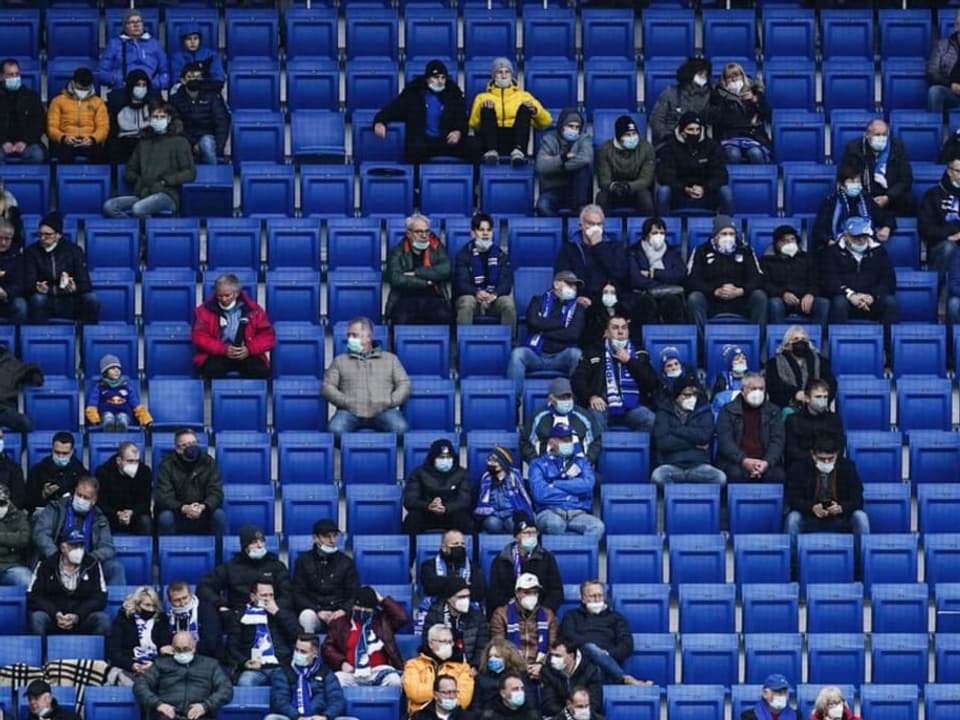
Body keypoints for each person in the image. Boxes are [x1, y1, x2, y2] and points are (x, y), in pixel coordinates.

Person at [784, 434, 870, 578]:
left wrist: (842, 507)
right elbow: (793, 499)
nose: (826, 462)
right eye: (822, 459)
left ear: (837, 455)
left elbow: (857, 499)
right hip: (810, 517)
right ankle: (792, 570)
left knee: (861, 517)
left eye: (830, 459)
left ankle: (859, 569)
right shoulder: (799, 468)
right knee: (792, 519)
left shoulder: (848, 467)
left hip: (840, 518)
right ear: (813, 455)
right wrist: (811, 508)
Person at [103, 100, 197, 218]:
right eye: (155, 116)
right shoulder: (143, 143)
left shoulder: (180, 142)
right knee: (110, 206)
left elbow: (190, 173)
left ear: (168, 119)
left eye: (162, 116)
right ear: (150, 119)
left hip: (167, 195)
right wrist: (139, 180)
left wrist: (165, 181)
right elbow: (129, 171)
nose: (158, 119)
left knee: (138, 209)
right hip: (143, 193)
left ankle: (145, 233)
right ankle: (136, 230)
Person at [322, 315, 411, 438]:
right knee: (335, 430)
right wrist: (344, 401)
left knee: (401, 429)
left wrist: (391, 401)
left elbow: (404, 383)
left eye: (354, 335)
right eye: (348, 335)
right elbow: (327, 386)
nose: (349, 339)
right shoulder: (340, 361)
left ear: (368, 337)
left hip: (383, 411)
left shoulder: (390, 359)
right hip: (350, 412)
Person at [198, 525, 294, 635]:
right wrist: (220, 604)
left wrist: (274, 607)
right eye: (254, 542)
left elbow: (287, 594)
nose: (259, 546)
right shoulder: (232, 567)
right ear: (245, 546)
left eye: (262, 541)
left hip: (270, 615)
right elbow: (204, 586)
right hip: (239, 618)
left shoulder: (276, 566)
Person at [33, 476, 127, 585]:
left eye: (86, 497)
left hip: (88, 562)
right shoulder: (56, 508)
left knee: (116, 568)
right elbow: (40, 534)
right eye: (79, 495)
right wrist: (56, 556)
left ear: (93, 500)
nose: (81, 499)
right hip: (56, 559)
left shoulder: (100, 518)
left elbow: (108, 548)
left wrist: (88, 558)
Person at [374, 59, 471, 164]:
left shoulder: (453, 94)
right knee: (414, 150)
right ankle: (416, 180)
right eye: (436, 77)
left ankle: (476, 180)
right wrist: (380, 121)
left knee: (473, 146)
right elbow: (393, 109)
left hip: (447, 141)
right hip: (424, 142)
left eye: (443, 78)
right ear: (427, 78)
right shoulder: (413, 93)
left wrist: (458, 132)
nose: (440, 81)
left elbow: (462, 116)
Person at [573, 314, 659, 433]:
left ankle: (634, 451)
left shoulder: (639, 353)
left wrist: (630, 361)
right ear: (607, 333)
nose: (620, 332)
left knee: (652, 420)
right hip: (603, 404)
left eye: (624, 328)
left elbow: (652, 382)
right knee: (594, 417)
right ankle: (602, 451)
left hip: (632, 406)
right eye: (615, 328)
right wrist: (591, 396)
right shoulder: (594, 351)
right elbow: (578, 379)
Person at [507, 272, 586, 398]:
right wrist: (561, 324)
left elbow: (573, 334)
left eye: (575, 286)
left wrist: (543, 330)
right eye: (569, 284)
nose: (573, 288)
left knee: (576, 354)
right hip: (536, 354)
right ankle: (513, 404)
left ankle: (575, 403)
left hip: (562, 355)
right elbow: (533, 322)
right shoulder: (537, 301)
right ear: (556, 284)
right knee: (517, 354)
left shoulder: (578, 307)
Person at [686, 215, 766, 334]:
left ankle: (757, 345)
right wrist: (714, 291)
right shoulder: (701, 251)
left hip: (741, 300)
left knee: (760, 296)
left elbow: (758, 278)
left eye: (731, 233)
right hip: (711, 300)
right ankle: (701, 348)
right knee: (694, 298)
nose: (728, 237)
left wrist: (741, 290)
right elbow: (692, 280)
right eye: (724, 233)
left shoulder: (746, 250)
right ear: (715, 234)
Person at [559, 581, 645, 686]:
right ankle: (623, 678)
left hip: (606, 666)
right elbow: (568, 636)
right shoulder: (571, 616)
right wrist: (593, 650)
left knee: (597, 669)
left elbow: (627, 644)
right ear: (583, 598)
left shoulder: (616, 618)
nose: (597, 599)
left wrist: (608, 654)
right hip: (581, 661)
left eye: (600, 595)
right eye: (593, 596)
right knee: (590, 647)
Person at [27, 527, 110, 636]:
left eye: (81, 546)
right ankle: (42, 652)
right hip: (54, 618)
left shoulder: (92, 565)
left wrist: (77, 615)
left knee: (103, 620)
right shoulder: (46, 565)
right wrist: (55, 613)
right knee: (37, 618)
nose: (79, 550)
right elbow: (34, 595)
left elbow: (100, 597)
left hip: (82, 618)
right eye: (74, 546)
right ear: (63, 547)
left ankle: (95, 652)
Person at [133, 630, 234, 720]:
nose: (182, 652)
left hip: (200, 715)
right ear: (172, 648)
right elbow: (140, 685)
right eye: (177, 649)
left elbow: (226, 689)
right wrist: (158, 704)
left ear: (194, 647)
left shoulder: (210, 665)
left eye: (186, 649)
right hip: (166, 715)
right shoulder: (160, 664)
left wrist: (205, 706)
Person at [469, 57, 551, 166]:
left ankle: (519, 151)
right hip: (491, 139)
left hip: (515, 138)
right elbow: (473, 124)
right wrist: (481, 109)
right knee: (487, 108)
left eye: (507, 72)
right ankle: (491, 151)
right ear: (494, 75)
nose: (503, 76)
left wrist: (535, 111)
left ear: (511, 74)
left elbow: (546, 122)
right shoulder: (482, 97)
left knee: (525, 108)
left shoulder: (524, 96)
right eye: (500, 72)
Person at [191, 273, 275, 379]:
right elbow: (199, 336)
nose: (223, 299)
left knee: (261, 371)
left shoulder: (255, 310)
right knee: (210, 370)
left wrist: (249, 349)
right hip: (218, 354)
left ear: (236, 293)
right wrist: (223, 349)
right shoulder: (203, 311)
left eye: (227, 295)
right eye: (219, 296)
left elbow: (267, 336)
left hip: (246, 353)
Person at [321, 586, 406, 689]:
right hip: (352, 673)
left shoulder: (382, 621)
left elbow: (402, 617)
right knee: (337, 680)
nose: (362, 610)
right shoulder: (340, 623)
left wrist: (382, 600)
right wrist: (342, 663)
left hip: (379, 671)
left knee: (394, 680)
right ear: (353, 606)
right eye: (358, 607)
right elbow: (327, 647)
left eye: (366, 609)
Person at [820, 216, 899, 325]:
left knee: (890, 302)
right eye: (856, 237)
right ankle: (838, 341)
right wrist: (851, 295)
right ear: (846, 235)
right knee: (839, 303)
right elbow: (829, 280)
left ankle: (888, 342)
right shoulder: (832, 252)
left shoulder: (879, 252)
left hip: (872, 299)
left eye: (864, 236)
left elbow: (888, 280)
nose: (861, 241)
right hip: (846, 298)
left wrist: (873, 295)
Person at [651, 373, 726, 487]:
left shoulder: (704, 410)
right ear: (677, 395)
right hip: (672, 465)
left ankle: (695, 497)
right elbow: (663, 442)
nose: (692, 398)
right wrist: (695, 444)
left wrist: (677, 430)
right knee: (657, 476)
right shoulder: (664, 411)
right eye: (687, 395)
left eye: (695, 394)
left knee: (720, 478)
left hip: (699, 465)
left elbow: (704, 436)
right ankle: (677, 496)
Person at [23, 212, 99, 324]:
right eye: (40, 234)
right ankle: (39, 337)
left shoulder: (74, 251)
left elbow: (86, 284)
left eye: (47, 235)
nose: (42, 238)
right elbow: (28, 282)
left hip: (69, 300)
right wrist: (37, 287)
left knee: (92, 299)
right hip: (46, 299)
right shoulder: (31, 252)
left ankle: (87, 337)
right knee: (37, 299)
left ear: (58, 235)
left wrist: (75, 288)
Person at [528, 424, 603, 536]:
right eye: (563, 440)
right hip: (550, 512)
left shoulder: (582, 462)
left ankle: (579, 554)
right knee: (555, 524)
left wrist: (556, 484)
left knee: (597, 526)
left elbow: (587, 486)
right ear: (552, 442)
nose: (568, 443)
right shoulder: (537, 464)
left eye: (569, 439)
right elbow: (540, 494)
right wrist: (573, 493)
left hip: (577, 513)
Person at [656, 110, 733, 216]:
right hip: (679, 193)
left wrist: (705, 188)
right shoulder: (670, 147)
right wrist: (685, 188)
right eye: (690, 129)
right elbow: (665, 176)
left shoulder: (712, 146)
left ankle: (727, 226)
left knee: (725, 191)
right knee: (663, 191)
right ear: (682, 130)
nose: (695, 133)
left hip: (707, 193)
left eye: (698, 129)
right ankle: (663, 225)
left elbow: (721, 175)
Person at [226, 578, 301, 687]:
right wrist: (245, 662)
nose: (268, 599)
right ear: (253, 597)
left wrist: (277, 613)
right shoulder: (241, 616)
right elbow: (232, 646)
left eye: (271, 595)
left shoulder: (282, 613)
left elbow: (298, 635)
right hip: (254, 669)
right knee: (245, 683)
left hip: (278, 666)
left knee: (284, 683)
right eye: (264, 595)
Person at [811, 157, 895, 253]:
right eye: (851, 181)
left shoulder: (867, 200)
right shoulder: (830, 203)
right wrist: (830, 242)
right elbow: (819, 231)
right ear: (841, 185)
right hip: (839, 251)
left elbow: (886, 217)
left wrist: (887, 228)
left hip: (866, 248)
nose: (855, 184)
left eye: (857, 181)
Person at [265, 633, 356, 720]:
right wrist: (296, 716)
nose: (298, 654)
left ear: (315, 653)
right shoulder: (283, 671)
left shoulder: (326, 673)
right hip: (292, 718)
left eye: (303, 652)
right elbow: (279, 700)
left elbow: (337, 700)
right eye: (296, 650)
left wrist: (325, 716)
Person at [292, 518, 360, 634]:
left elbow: (354, 592)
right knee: (306, 616)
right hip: (316, 612)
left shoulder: (346, 562)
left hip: (339, 613)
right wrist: (318, 610)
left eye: (334, 536)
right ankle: (308, 649)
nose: (332, 540)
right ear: (315, 538)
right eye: (327, 537)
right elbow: (298, 594)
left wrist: (343, 610)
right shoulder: (303, 561)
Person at [716, 373, 786, 484]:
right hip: (736, 461)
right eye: (753, 389)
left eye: (761, 389)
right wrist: (744, 460)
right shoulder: (728, 410)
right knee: (735, 474)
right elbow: (725, 441)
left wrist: (766, 462)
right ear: (743, 391)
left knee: (777, 475)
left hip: (765, 461)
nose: (758, 392)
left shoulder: (774, 411)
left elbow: (777, 440)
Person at [156, 428, 226, 537]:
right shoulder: (167, 465)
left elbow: (216, 492)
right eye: (185, 445)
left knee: (219, 515)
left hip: (203, 513)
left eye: (193, 443)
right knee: (165, 517)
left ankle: (218, 553)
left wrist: (203, 507)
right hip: (178, 514)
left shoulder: (208, 462)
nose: (191, 447)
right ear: (178, 449)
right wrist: (184, 508)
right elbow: (164, 497)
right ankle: (168, 552)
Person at [487, 515, 564, 615]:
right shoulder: (502, 560)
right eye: (527, 533)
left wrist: (541, 611)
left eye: (534, 533)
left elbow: (556, 592)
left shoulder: (547, 558)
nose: (531, 536)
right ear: (516, 537)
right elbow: (495, 594)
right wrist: (512, 609)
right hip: (509, 614)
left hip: (540, 612)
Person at [554, 205, 629, 304]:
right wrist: (576, 298)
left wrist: (599, 246)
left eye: (599, 224)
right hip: (579, 301)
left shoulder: (615, 247)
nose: (595, 228)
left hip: (606, 300)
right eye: (591, 223)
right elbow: (561, 278)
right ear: (581, 225)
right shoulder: (569, 248)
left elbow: (620, 274)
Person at [386, 213, 453, 325]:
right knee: (400, 319)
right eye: (419, 232)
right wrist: (426, 282)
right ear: (409, 233)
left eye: (427, 231)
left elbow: (446, 269)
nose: (424, 235)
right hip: (405, 298)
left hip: (433, 297)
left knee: (444, 316)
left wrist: (417, 272)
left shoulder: (436, 247)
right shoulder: (397, 251)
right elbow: (395, 278)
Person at [452, 212, 516, 329]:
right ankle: (463, 342)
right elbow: (461, 283)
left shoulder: (501, 255)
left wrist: (495, 294)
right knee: (466, 302)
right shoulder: (463, 255)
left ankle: (509, 343)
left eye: (489, 230)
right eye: (481, 230)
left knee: (508, 303)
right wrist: (477, 292)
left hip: (494, 299)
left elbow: (506, 282)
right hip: (473, 297)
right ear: (473, 233)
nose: (486, 233)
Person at [489, 573, 558, 681]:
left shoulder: (548, 615)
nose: (531, 596)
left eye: (535, 592)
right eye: (526, 592)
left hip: (541, 669)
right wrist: (521, 666)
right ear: (517, 593)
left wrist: (541, 666)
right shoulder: (501, 614)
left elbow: (553, 646)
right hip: (511, 670)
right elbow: (499, 646)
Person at [840, 119, 915, 217]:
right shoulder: (854, 149)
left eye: (884, 135)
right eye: (877, 134)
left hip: (891, 196)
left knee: (909, 199)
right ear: (867, 135)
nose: (881, 138)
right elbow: (848, 176)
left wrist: (888, 197)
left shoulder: (897, 147)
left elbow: (906, 178)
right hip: (865, 196)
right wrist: (868, 199)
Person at [521, 377, 601, 466]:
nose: (566, 400)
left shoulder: (584, 416)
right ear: (551, 398)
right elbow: (526, 443)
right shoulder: (538, 417)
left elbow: (595, 441)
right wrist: (539, 464)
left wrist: (585, 463)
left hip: (579, 469)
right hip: (545, 469)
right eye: (561, 397)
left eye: (568, 396)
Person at [761, 224, 829, 327]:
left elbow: (816, 280)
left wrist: (811, 294)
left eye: (792, 240)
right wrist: (782, 294)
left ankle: (818, 340)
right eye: (785, 240)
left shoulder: (807, 259)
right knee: (775, 304)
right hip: (781, 299)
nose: (790, 243)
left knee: (823, 304)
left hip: (804, 300)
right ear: (777, 243)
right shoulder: (767, 261)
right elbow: (765, 284)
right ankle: (780, 339)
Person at [402, 438, 474, 536]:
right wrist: (428, 506)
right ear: (433, 458)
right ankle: (412, 550)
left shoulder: (461, 473)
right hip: (426, 513)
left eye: (448, 457)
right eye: (441, 457)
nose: (445, 460)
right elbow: (410, 500)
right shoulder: (418, 473)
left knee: (465, 520)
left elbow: (465, 501)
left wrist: (446, 508)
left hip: (451, 514)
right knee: (412, 519)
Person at [707, 62, 772, 165]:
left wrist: (755, 101)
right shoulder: (718, 97)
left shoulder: (755, 94)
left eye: (737, 76)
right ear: (724, 80)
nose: (734, 80)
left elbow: (767, 115)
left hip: (752, 137)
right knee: (733, 154)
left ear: (742, 76)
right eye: (730, 77)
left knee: (756, 154)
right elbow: (718, 119)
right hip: (728, 137)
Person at [418, 529, 487, 625]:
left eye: (462, 544)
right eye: (455, 544)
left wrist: (444, 585)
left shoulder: (473, 566)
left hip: (467, 610)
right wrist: (462, 583)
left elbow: (479, 591)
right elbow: (431, 586)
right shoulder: (429, 565)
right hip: (435, 610)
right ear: (444, 547)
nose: (460, 547)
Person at [107, 586, 171, 687]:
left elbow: (167, 650)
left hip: (155, 667)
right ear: (137, 605)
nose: (151, 609)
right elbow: (114, 651)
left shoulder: (161, 621)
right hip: (128, 665)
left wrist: (154, 664)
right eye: (147, 605)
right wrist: (132, 665)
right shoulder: (123, 620)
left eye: (154, 606)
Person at [404, 624, 475, 715]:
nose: (448, 645)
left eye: (450, 642)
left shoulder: (463, 668)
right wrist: (447, 694)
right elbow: (415, 694)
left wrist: (435, 694)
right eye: (443, 641)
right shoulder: (413, 665)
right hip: (421, 715)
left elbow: (464, 699)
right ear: (431, 643)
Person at [535, 107, 594, 216]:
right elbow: (541, 166)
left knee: (584, 168)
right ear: (562, 126)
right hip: (553, 190)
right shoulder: (549, 140)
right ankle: (559, 232)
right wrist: (563, 158)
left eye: (577, 127)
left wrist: (559, 165)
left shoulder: (584, 139)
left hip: (577, 190)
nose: (574, 130)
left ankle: (577, 225)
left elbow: (585, 159)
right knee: (542, 206)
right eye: (570, 126)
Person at [627, 217, 687, 325]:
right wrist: (665, 282)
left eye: (662, 233)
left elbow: (681, 274)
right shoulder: (633, 252)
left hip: (669, 294)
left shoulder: (672, 252)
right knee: (647, 303)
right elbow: (636, 279)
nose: (659, 236)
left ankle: (672, 339)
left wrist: (653, 274)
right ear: (646, 235)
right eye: (655, 232)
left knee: (673, 302)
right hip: (643, 294)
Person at [764, 326, 837, 413]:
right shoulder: (774, 363)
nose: (800, 341)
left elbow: (830, 383)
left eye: (804, 339)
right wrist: (795, 394)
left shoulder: (821, 361)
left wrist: (813, 396)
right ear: (787, 344)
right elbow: (773, 387)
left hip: (816, 405)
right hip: (787, 406)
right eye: (796, 339)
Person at [169, 62, 230, 165]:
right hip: (186, 138)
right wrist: (194, 144)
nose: (194, 80)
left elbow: (222, 122)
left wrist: (219, 148)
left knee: (206, 143)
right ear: (183, 80)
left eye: (198, 77)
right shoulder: (175, 99)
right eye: (190, 77)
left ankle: (212, 176)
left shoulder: (212, 96)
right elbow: (176, 125)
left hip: (209, 138)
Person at [423, 577, 490, 668]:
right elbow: (427, 644)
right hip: (440, 666)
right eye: (461, 597)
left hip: (469, 667)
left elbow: (482, 647)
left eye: (467, 596)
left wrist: (475, 667)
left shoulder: (477, 617)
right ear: (449, 599)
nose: (466, 600)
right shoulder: (434, 616)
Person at [595, 114, 655, 216]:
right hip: (613, 191)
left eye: (634, 133)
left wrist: (628, 186)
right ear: (619, 136)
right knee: (601, 197)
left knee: (645, 197)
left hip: (636, 190)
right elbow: (603, 180)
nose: (632, 137)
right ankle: (604, 229)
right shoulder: (605, 149)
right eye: (627, 134)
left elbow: (646, 179)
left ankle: (647, 228)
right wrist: (614, 186)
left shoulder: (646, 148)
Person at [47, 67, 108, 164]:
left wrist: (93, 139)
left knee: (100, 155)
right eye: (80, 88)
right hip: (66, 140)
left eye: (86, 89)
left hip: (89, 140)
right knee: (64, 155)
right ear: (73, 83)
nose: (82, 92)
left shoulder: (98, 102)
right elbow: (52, 127)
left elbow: (103, 127)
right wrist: (63, 138)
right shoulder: (58, 101)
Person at [97, 10, 169, 91]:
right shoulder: (114, 44)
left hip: (150, 87)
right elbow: (102, 73)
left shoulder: (155, 44)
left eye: (139, 21)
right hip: (123, 87)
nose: (136, 25)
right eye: (131, 22)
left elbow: (165, 72)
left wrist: (152, 84)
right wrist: (118, 81)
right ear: (125, 26)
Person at [650, 57, 713, 150]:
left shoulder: (711, 95)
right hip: (670, 141)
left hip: (698, 140)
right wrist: (670, 137)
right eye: (700, 74)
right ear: (689, 74)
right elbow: (656, 120)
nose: (703, 77)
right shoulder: (670, 93)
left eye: (705, 75)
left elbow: (711, 120)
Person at [95, 441, 152, 536]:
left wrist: (131, 513)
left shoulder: (144, 472)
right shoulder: (103, 472)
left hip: (135, 515)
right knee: (100, 521)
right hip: (111, 515)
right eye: (130, 461)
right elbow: (100, 502)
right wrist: (117, 514)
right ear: (119, 461)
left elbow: (145, 502)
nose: (134, 465)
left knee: (145, 521)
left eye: (136, 461)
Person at [784, 379, 845, 467]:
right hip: (803, 465)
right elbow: (791, 450)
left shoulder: (834, 419)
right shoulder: (793, 420)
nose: (823, 400)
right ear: (807, 398)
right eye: (818, 397)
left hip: (830, 462)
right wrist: (816, 459)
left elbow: (840, 447)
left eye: (825, 397)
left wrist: (826, 458)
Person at [85, 354, 153, 431]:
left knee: (123, 417)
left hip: (125, 414)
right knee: (108, 417)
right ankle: (108, 427)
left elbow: (136, 405)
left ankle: (122, 428)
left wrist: (146, 420)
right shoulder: (99, 387)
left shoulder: (127, 387)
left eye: (118, 368)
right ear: (105, 372)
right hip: (105, 414)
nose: (117, 370)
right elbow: (92, 406)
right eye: (112, 368)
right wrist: (95, 420)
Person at [474, 448, 535, 534]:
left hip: (511, 513)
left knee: (513, 525)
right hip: (493, 514)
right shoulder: (486, 478)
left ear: (503, 463)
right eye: (489, 460)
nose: (490, 463)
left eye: (494, 461)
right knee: (492, 524)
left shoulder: (514, 477)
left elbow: (524, 497)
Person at [25, 431, 87, 515]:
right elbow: (28, 503)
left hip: (71, 513)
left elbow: (87, 499)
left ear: (72, 451)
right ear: (52, 449)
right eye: (57, 452)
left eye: (65, 453)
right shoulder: (38, 470)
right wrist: (43, 494)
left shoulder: (81, 472)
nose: (60, 456)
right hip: (45, 513)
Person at [540, 640, 604, 719]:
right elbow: (548, 704)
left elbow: (595, 704)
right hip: (559, 716)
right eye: (552, 655)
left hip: (585, 715)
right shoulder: (547, 671)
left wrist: (580, 712)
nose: (553, 659)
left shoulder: (591, 671)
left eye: (558, 656)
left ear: (571, 656)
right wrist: (569, 713)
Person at [920, 155, 960, 277]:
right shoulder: (932, 195)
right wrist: (952, 235)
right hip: (941, 245)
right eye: (958, 171)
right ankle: (939, 291)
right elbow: (925, 228)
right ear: (949, 171)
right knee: (949, 247)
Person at [0, 58, 45, 164]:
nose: (15, 77)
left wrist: (25, 141)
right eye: (10, 74)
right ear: (1, 76)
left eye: (17, 74)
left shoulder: (31, 97)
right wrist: (3, 141)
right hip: (1, 143)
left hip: (27, 143)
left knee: (37, 155)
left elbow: (39, 123)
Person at [166, 580, 221, 662]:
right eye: (177, 600)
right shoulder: (167, 617)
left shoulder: (207, 611)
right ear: (170, 601)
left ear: (191, 595)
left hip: (205, 658)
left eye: (185, 598)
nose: (182, 603)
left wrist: (188, 649)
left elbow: (211, 643)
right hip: (176, 658)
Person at [472, 640, 532, 713]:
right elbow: (476, 706)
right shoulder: (481, 678)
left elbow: (529, 702)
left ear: (508, 657)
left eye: (497, 656)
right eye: (490, 656)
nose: (492, 659)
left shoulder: (520, 676)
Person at [106, 70, 152, 165]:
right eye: (138, 85)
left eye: (144, 85)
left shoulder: (152, 106)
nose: (141, 88)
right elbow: (113, 132)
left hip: (147, 143)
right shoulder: (118, 106)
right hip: (125, 143)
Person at [0, 339, 43, 430]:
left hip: (3, 410)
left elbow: (31, 369)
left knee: (25, 423)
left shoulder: (12, 364)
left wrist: (36, 375)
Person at [170, 26, 225, 93]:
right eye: (188, 39)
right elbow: (176, 80)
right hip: (185, 95)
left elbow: (218, 79)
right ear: (183, 41)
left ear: (200, 40)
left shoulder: (212, 55)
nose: (192, 42)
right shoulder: (177, 58)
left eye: (195, 38)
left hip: (208, 93)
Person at [927, 9, 960, 113]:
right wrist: (951, 85)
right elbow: (932, 72)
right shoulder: (942, 45)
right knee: (935, 92)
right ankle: (936, 127)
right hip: (951, 92)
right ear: (956, 26)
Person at [0, 483, 31, 586]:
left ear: (8, 502)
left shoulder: (19, 516)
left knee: (26, 579)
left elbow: (23, 539)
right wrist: (10, 547)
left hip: (11, 567)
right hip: (11, 557)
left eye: (1, 503)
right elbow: (17, 540)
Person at [412, 675, 477, 720]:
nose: (452, 696)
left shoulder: (468, 717)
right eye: (447, 692)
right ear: (435, 695)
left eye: (454, 692)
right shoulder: (420, 717)